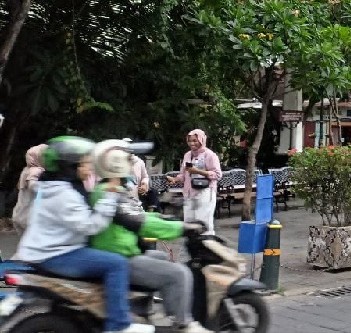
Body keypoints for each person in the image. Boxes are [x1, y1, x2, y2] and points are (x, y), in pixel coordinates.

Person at [13, 136, 154, 333]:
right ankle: (118, 325)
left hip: (50, 249)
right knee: (116, 264)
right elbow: (91, 226)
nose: (90, 169)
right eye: (85, 164)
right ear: (71, 167)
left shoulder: (56, 186)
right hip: (56, 254)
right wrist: (111, 196)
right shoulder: (64, 194)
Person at [90, 140, 212, 333]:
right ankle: (184, 324)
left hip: (122, 252)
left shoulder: (111, 190)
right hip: (120, 257)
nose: (132, 165)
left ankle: (145, 309)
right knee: (179, 274)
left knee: (162, 258)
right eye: (129, 161)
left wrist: (167, 218)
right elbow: (140, 223)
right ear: (117, 164)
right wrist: (182, 228)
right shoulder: (108, 194)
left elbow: (140, 215)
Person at [167, 129, 222, 235]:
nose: (192, 143)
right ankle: (192, 248)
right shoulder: (187, 155)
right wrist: (175, 179)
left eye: (195, 141)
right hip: (189, 194)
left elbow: (218, 175)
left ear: (201, 140)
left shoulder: (210, 155)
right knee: (189, 223)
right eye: (189, 141)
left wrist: (199, 171)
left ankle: (206, 248)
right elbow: (183, 174)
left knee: (203, 223)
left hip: (205, 193)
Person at [11, 144, 47, 233]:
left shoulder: (26, 170)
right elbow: (33, 187)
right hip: (29, 214)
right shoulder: (36, 170)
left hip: (20, 212)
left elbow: (19, 186)